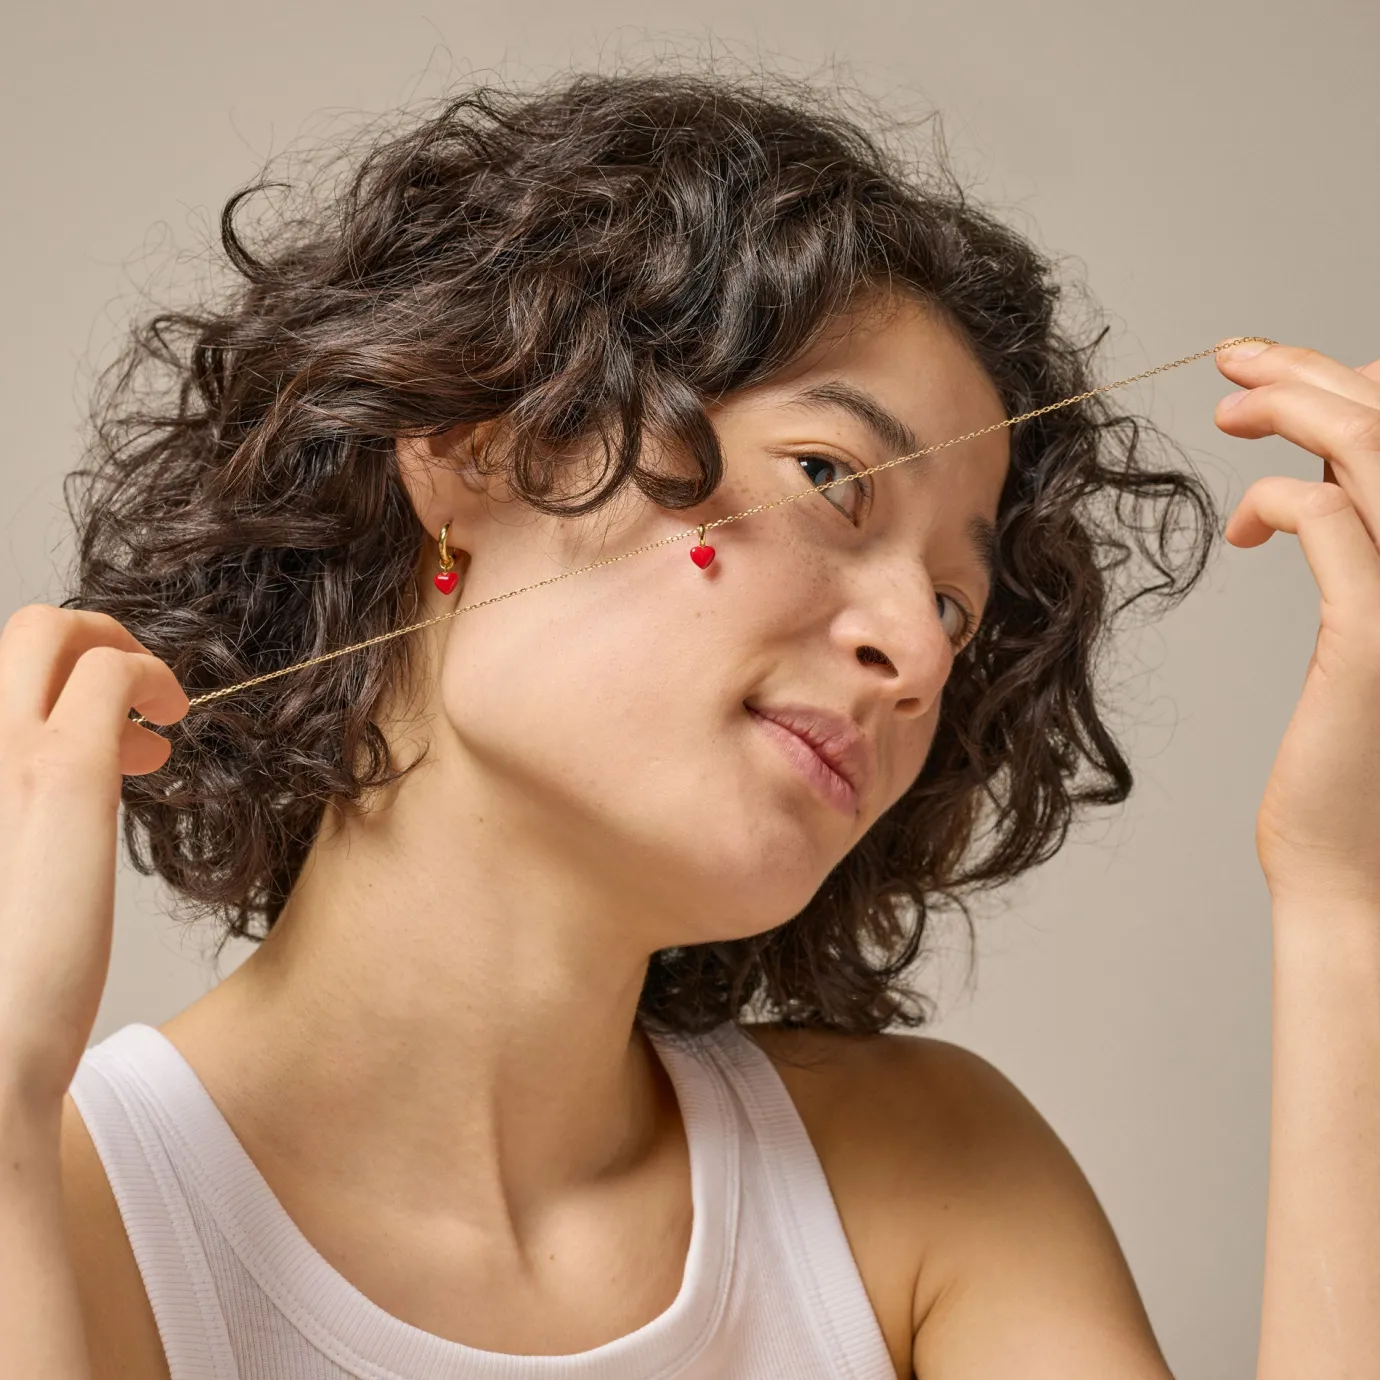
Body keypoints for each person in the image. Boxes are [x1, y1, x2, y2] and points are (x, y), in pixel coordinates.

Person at [1, 71, 1377, 1380]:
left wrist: (1346, 894)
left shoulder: (928, 1182)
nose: (912, 653)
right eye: (831, 476)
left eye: (958, 607)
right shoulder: (60, 1199)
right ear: (480, 446)